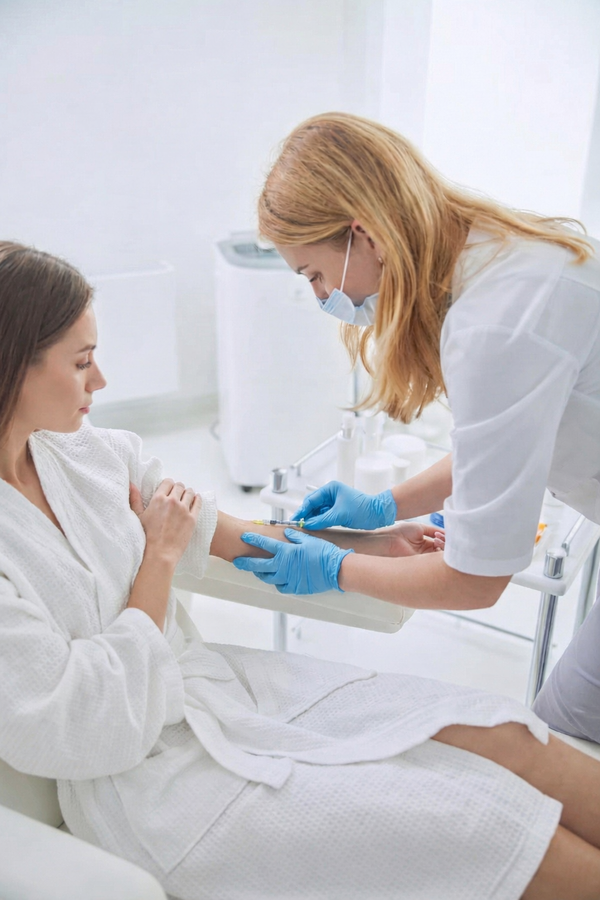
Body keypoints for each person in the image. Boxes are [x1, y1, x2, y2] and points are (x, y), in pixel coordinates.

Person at [1, 241, 600, 900]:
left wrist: (365, 539)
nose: (102, 382)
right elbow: (76, 725)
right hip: (150, 782)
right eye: (81, 361)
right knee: (479, 822)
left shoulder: (86, 452)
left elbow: (217, 532)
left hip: (224, 692)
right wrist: (159, 563)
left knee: (502, 734)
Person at [239, 110, 600, 744]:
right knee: (567, 733)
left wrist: (335, 569)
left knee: (562, 743)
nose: (324, 298)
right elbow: (506, 442)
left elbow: (475, 579)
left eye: (315, 274)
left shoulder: (495, 322)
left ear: (365, 235)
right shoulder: (496, 251)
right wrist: (384, 506)